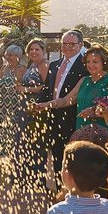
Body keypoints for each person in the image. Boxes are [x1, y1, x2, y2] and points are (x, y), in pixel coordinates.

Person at [38, 45, 108, 134]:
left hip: (105, 133)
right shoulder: (84, 80)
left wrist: (97, 111)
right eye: (88, 62)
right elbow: (66, 100)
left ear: (104, 63)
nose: (90, 65)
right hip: (83, 131)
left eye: (95, 62)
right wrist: (46, 105)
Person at [38, 29, 90, 174]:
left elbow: (74, 97)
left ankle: (72, 191)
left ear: (80, 45)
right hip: (53, 117)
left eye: (71, 44)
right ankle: (59, 190)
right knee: (56, 156)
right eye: (64, 44)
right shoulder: (54, 64)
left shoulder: (85, 66)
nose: (67, 47)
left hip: (73, 117)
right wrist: (39, 105)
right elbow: (47, 89)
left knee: (72, 158)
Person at [15, 39, 49, 186]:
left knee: (36, 142)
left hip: (37, 108)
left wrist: (26, 90)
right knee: (25, 141)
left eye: (37, 49)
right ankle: (26, 175)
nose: (33, 52)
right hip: (25, 106)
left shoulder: (44, 65)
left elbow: (46, 87)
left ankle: (37, 178)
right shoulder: (32, 65)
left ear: (43, 52)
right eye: (31, 50)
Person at [0, 44, 27, 159]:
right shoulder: (3, 68)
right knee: (2, 128)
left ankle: (15, 153)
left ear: (18, 56)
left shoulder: (22, 69)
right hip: (2, 104)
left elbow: (24, 87)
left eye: (11, 55)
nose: (8, 57)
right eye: (7, 54)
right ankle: (2, 153)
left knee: (14, 128)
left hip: (15, 104)